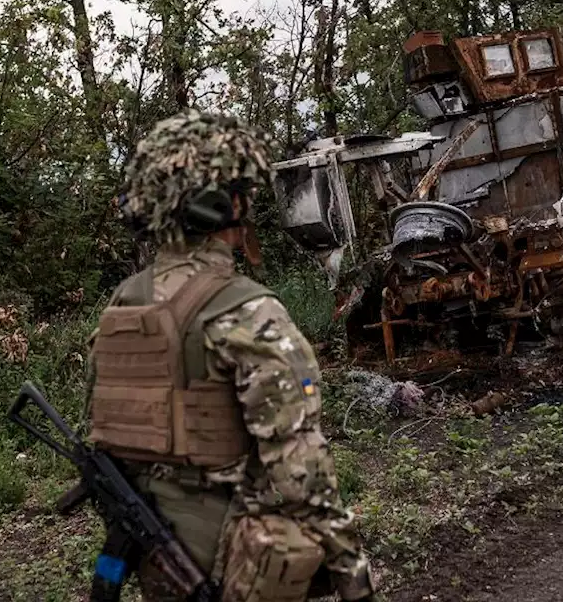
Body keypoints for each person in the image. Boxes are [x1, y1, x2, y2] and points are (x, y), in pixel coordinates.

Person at [83, 110, 373, 602]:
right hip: (235, 561)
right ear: (224, 206)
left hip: (155, 555)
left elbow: (106, 435)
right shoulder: (249, 312)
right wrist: (352, 576)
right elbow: (302, 472)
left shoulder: (122, 306)